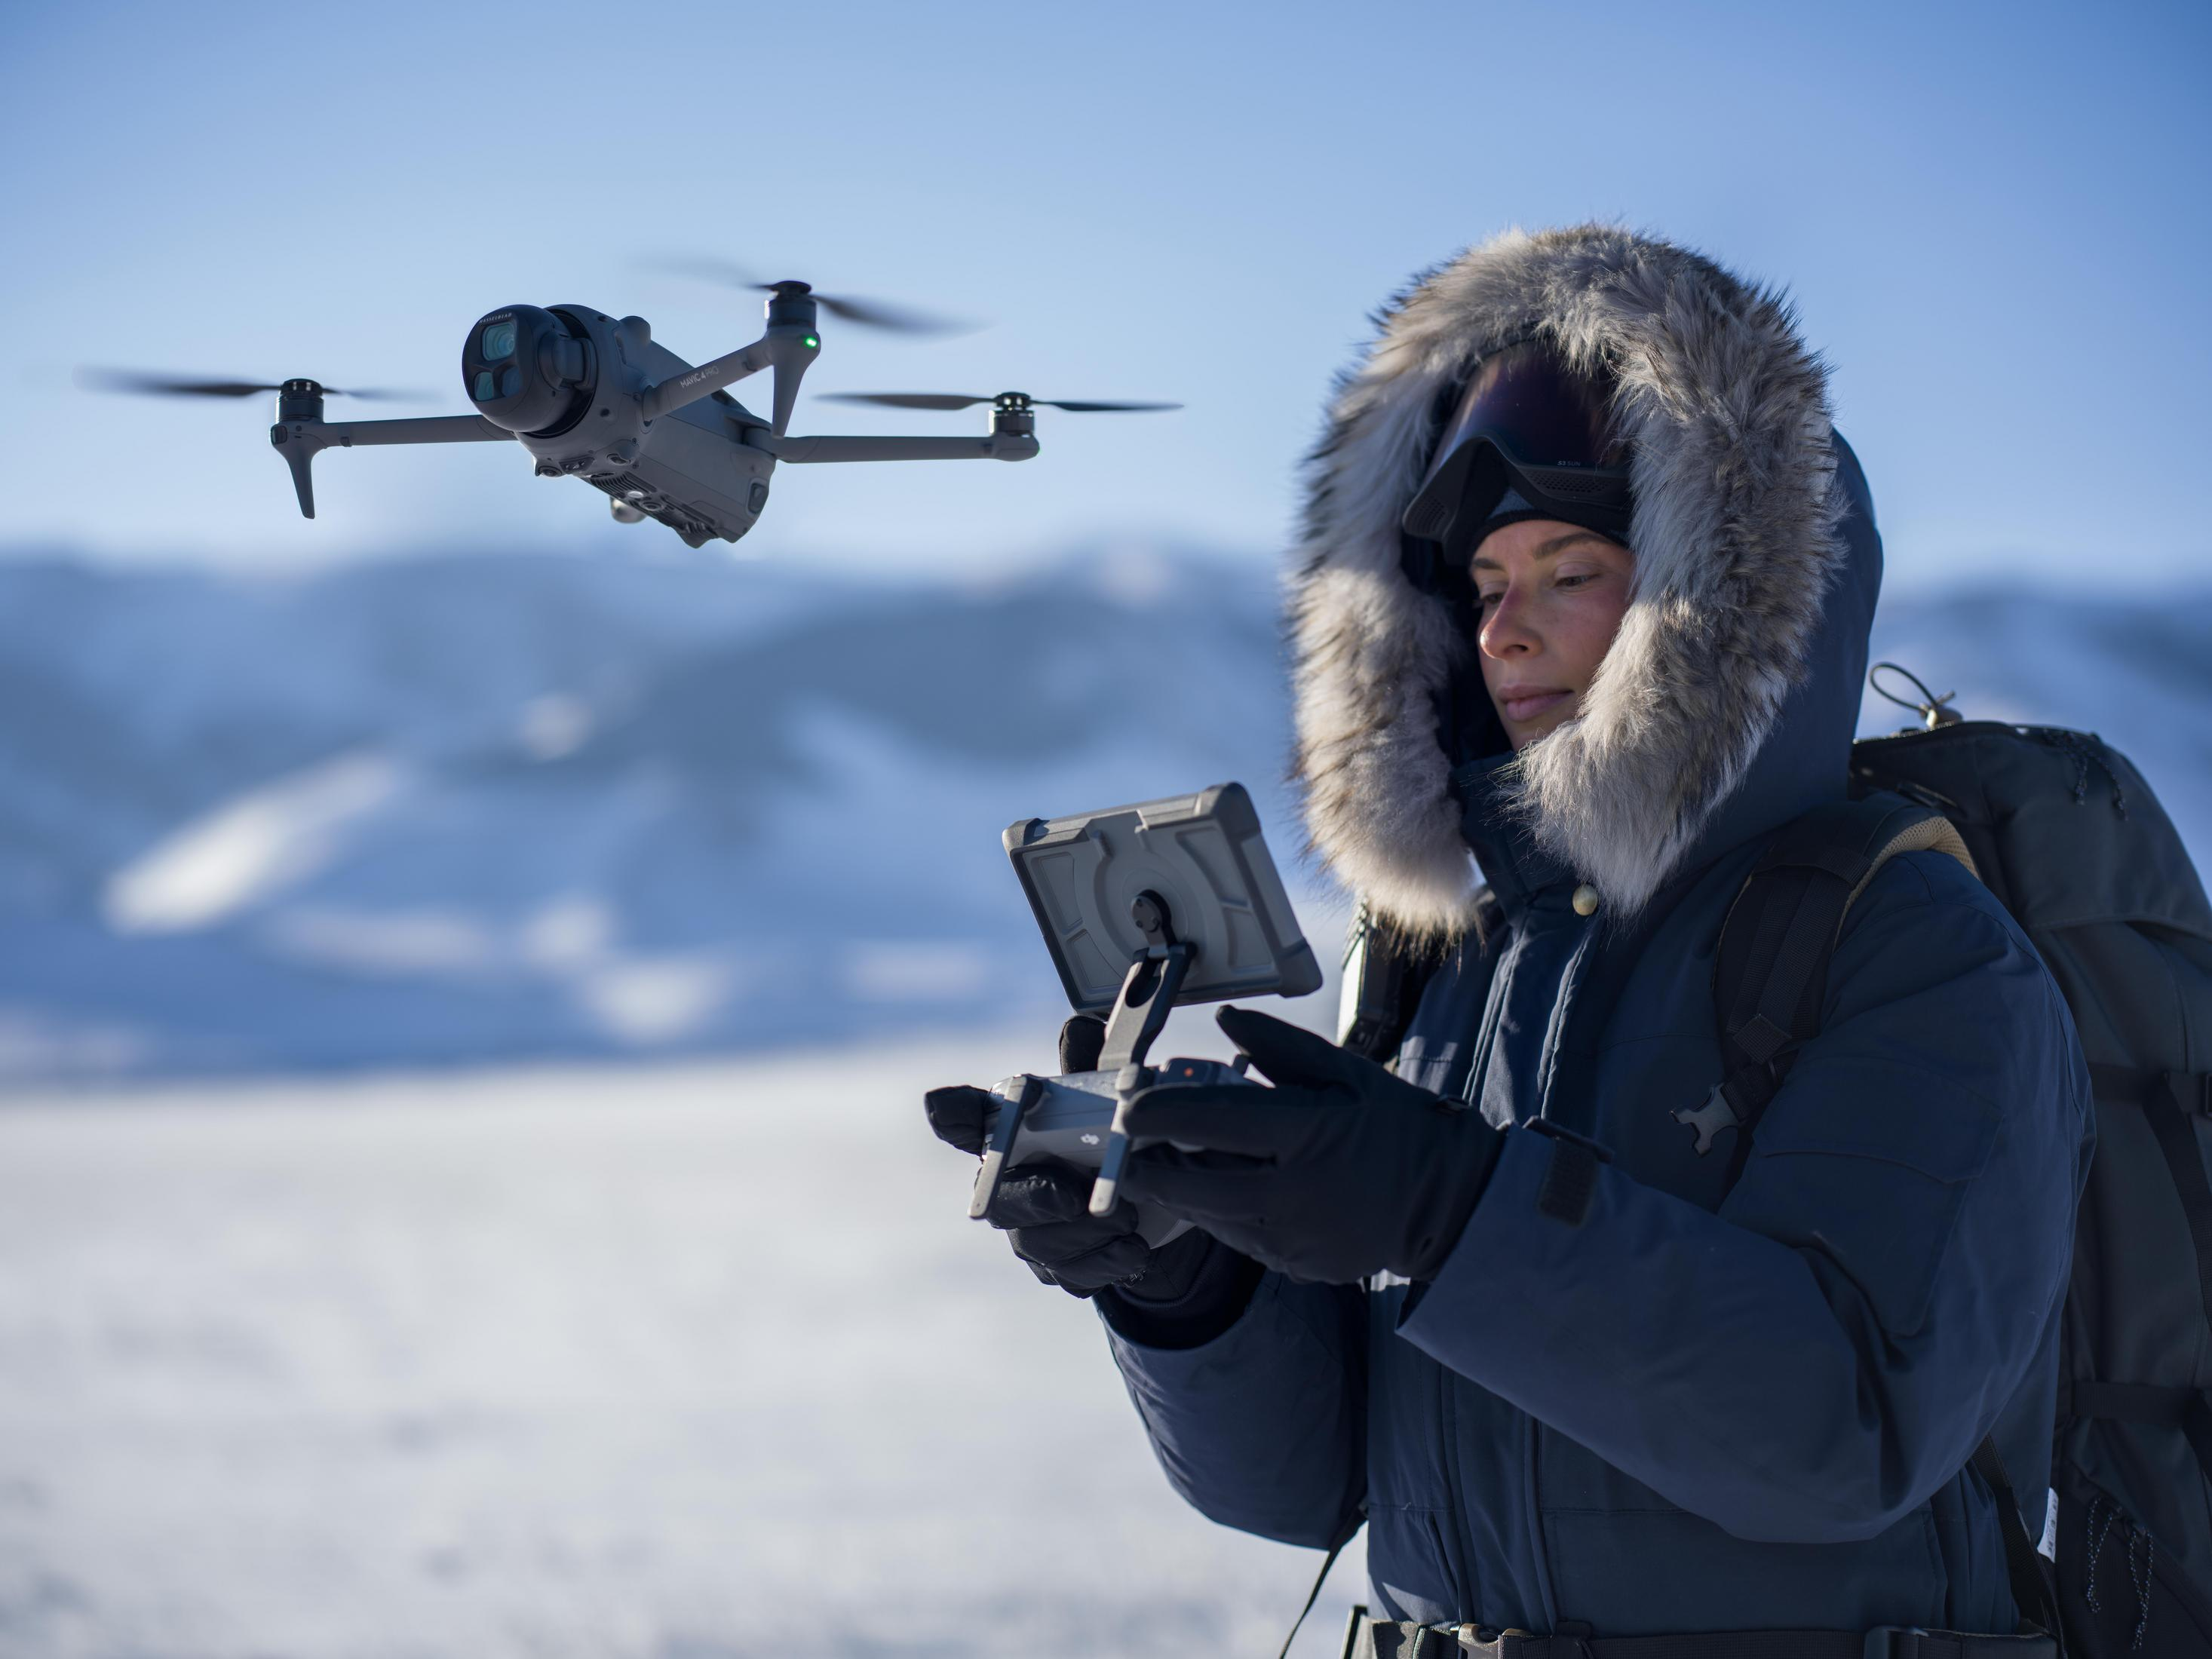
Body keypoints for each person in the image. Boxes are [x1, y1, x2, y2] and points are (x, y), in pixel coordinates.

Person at [925, 225, 2094, 1653]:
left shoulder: (1914, 952)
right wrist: (1187, 1285)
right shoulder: (1452, 962)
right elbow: (1319, 1486)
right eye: (1482, 589)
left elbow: (1845, 1430)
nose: (1507, 637)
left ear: (1724, 601)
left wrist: (1456, 1211)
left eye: (1572, 572)